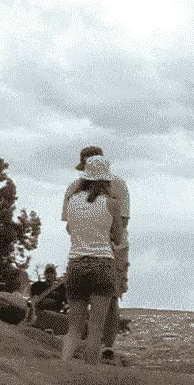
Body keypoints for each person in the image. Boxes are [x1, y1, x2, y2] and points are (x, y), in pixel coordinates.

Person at [63, 145, 130, 362]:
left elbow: (69, 228)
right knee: (96, 327)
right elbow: (119, 236)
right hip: (103, 259)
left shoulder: (72, 197)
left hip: (76, 259)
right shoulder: (112, 201)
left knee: (74, 327)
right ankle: (91, 370)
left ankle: (64, 365)